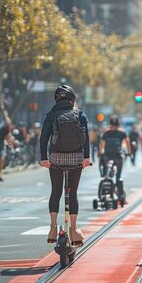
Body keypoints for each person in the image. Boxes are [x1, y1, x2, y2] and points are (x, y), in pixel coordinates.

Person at [40, 85, 91, 245]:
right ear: (72, 100)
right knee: (73, 193)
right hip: (76, 158)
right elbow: (87, 139)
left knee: (56, 192)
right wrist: (86, 158)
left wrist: (44, 158)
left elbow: (43, 138)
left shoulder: (51, 115)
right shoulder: (80, 114)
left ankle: (53, 227)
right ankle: (74, 230)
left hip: (55, 158)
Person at [99, 116, 131, 183]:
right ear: (118, 125)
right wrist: (129, 152)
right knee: (119, 171)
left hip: (108, 155)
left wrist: (101, 152)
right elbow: (127, 141)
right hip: (118, 154)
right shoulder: (122, 133)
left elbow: (101, 143)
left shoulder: (106, 133)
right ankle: (118, 183)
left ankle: (107, 174)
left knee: (106, 164)